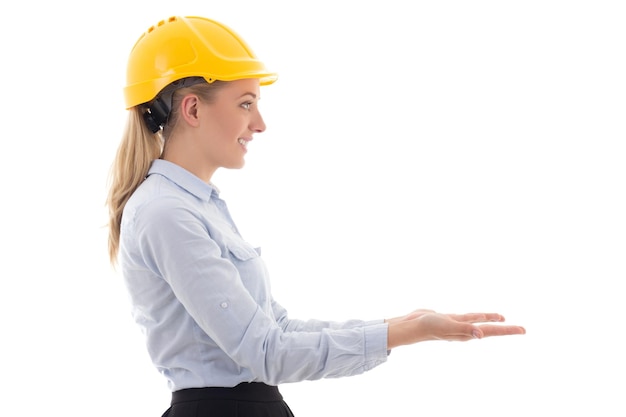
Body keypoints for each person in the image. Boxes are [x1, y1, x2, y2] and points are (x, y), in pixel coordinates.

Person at [107, 15, 526, 417]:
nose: (260, 124)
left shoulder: (198, 206)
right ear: (193, 110)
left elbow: (278, 328)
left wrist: (402, 322)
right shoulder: (166, 212)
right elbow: (268, 353)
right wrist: (410, 334)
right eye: (246, 103)